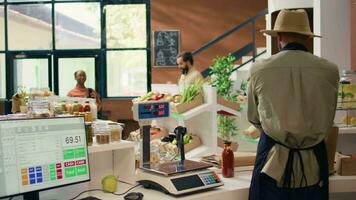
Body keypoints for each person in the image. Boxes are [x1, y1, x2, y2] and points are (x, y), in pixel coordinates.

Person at [248, 9, 339, 200]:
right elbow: (329, 116)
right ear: (307, 37)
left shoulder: (259, 69)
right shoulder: (330, 70)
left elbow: (254, 118)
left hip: (272, 163)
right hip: (314, 162)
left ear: (278, 36)